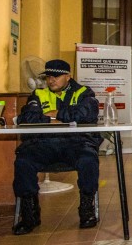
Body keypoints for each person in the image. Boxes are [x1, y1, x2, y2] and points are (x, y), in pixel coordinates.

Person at [13, 59, 102, 235]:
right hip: (44, 144)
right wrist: (60, 118)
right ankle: (30, 213)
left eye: (56, 76)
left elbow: (88, 114)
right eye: (48, 77)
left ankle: (87, 209)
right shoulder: (38, 94)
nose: (51, 80)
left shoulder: (83, 93)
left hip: (75, 143)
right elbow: (27, 118)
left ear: (68, 76)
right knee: (23, 162)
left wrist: (56, 114)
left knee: (88, 160)